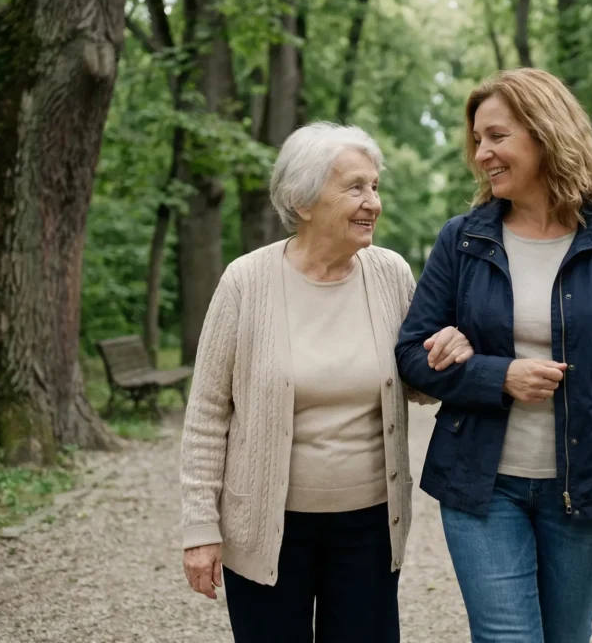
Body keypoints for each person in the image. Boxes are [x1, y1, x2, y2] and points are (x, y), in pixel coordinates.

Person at [396, 68, 592, 643]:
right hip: (481, 486)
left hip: (586, 488)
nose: (482, 153)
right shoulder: (462, 239)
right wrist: (497, 375)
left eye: (496, 136)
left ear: (545, 133)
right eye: (477, 141)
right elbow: (411, 356)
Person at [179, 122, 472, 643]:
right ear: (303, 200)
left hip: (370, 526)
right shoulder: (245, 281)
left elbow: (417, 381)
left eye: (376, 187)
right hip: (269, 527)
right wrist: (201, 529)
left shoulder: (390, 273)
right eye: (355, 187)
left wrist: (447, 352)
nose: (373, 203)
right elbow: (206, 414)